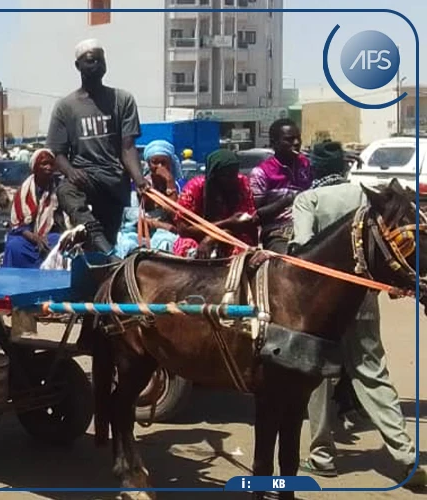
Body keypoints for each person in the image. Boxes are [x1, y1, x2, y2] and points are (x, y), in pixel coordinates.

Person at [292, 141, 427, 488]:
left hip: (322, 306)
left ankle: (322, 456)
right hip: (363, 297)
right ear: (344, 166)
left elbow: (302, 250)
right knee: (373, 373)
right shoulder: (366, 196)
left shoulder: (308, 200)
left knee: (319, 379)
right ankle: (405, 455)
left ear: (315, 170)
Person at [47, 39, 149, 259]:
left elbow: (128, 147)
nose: (97, 66)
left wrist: (140, 180)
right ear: (78, 66)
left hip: (113, 181)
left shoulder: (123, 100)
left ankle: (102, 273)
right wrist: (71, 171)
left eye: (101, 61)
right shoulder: (66, 107)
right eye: (91, 61)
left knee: (102, 247)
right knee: (66, 190)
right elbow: (58, 153)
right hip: (85, 177)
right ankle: (104, 247)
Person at [171, 149, 258, 258]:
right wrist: (227, 222)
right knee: (186, 245)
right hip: (198, 237)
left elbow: (244, 223)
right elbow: (184, 230)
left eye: (234, 174)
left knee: (240, 250)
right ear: (214, 175)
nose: (233, 180)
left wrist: (212, 238)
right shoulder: (195, 187)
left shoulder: (241, 183)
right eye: (227, 175)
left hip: (232, 235)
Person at [250, 118, 312, 254]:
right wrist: (289, 199)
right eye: (289, 140)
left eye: (298, 138)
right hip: (278, 232)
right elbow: (258, 215)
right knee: (293, 260)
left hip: (308, 226)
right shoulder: (261, 173)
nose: (296, 143)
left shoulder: (305, 164)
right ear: (274, 143)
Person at [114, 140, 183, 257]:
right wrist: (158, 224)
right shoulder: (142, 185)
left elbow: (176, 216)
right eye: (155, 162)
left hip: (166, 234)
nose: (159, 167)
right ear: (148, 163)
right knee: (127, 244)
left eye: (164, 163)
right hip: (137, 231)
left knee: (166, 242)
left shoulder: (178, 187)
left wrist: (169, 182)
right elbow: (135, 216)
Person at [4, 148, 64, 268]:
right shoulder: (23, 192)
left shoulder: (59, 187)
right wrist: (36, 238)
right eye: (44, 164)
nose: (48, 167)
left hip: (49, 235)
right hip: (26, 236)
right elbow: (18, 225)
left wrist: (43, 238)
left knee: (58, 242)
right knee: (14, 246)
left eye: (51, 164)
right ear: (35, 167)